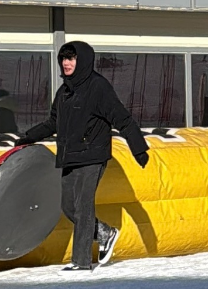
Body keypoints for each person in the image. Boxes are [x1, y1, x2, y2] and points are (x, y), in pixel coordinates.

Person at [19, 41, 149, 272]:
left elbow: (123, 118)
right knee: (69, 207)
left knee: (83, 206)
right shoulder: (64, 92)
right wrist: (28, 137)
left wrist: (138, 148)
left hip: (92, 155)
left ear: (84, 61)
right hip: (70, 156)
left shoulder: (98, 87)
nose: (67, 63)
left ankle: (80, 262)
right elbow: (52, 122)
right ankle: (105, 233)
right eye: (64, 59)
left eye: (72, 59)